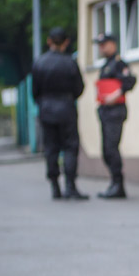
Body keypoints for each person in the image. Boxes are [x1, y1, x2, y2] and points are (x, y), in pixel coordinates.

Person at [31, 27, 87, 200]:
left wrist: (44, 103)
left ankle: (55, 187)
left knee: (51, 148)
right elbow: (79, 88)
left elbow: (35, 91)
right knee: (70, 147)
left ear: (49, 41)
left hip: (47, 110)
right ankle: (70, 186)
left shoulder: (40, 62)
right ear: (66, 42)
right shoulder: (70, 62)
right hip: (66, 109)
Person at [94, 33, 136, 199]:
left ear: (113, 44)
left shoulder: (119, 64)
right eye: (99, 45)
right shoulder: (106, 64)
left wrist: (116, 94)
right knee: (106, 150)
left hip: (115, 111)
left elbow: (130, 81)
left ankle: (118, 185)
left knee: (111, 148)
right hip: (105, 111)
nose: (101, 48)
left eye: (104, 44)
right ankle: (114, 183)